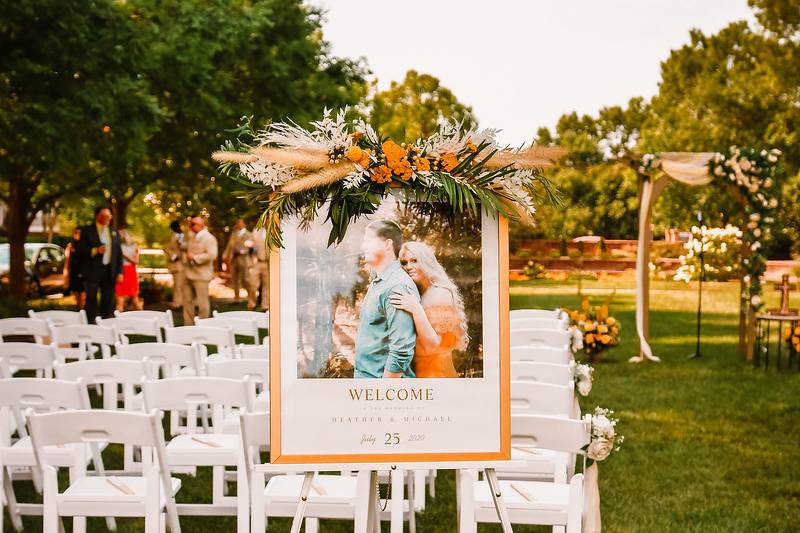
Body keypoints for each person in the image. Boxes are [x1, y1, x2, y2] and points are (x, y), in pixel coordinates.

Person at [390, 242, 469, 378]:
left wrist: (416, 309)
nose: (409, 267)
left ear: (426, 261)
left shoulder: (440, 294)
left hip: (439, 378)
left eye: (414, 261)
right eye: (404, 263)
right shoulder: (419, 293)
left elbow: (434, 347)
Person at [354, 220, 419, 379]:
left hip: (379, 387)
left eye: (368, 240)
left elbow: (401, 350)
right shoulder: (379, 281)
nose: (363, 246)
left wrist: (384, 391)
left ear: (387, 244)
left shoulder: (396, 286)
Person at [78, 206, 123, 322]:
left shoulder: (114, 232)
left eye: (109, 216)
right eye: (105, 216)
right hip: (92, 271)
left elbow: (118, 254)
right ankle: (90, 325)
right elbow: (80, 250)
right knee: (91, 300)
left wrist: (119, 272)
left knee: (108, 300)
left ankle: (106, 325)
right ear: (97, 216)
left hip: (109, 271)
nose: (108, 218)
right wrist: (95, 251)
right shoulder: (87, 231)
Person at [182, 215, 218, 325]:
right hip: (189, 273)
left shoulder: (209, 238)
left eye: (192, 224)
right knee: (187, 301)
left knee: (202, 303)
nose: (190, 226)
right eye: (190, 224)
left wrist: (195, 257)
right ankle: (188, 326)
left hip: (202, 275)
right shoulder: (192, 236)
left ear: (201, 225)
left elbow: (212, 255)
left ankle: (203, 326)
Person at [223, 218, 252, 304]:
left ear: (244, 224)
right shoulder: (234, 234)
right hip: (234, 259)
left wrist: (242, 251)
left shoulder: (248, 234)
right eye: (237, 223)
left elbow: (250, 246)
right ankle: (237, 299)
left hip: (244, 259)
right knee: (235, 279)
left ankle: (251, 297)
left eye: (240, 222)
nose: (238, 224)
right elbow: (229, 246)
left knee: (246, 279)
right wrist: (225, 255)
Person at [115, 229, 142, 311]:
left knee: (135, 298)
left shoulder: (135, 246)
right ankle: (118, 319)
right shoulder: (117, 245)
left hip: (130, 271)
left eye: (123, 233)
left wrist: (124, 255)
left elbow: (136, 261)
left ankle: (142, 318)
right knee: (119, 298)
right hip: (120, 272)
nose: (121, 236)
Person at [164, 221, 186, 310]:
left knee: (183, 285)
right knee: (177, 285)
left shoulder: (183, 236)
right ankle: (177, 303)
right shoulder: (171, 237)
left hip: (185, 264)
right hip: (176, 265)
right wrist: (174, 257)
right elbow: (166, 248)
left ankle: (182, 302)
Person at [247, 223, 269, 311]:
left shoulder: (273, 231)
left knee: (267, 286)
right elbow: (249, 242)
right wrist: (249, 244)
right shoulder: (256, 231)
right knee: (253, 284)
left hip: (268, 263)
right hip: (256, 262)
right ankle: (251, 304)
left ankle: (265, 306)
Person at [62, 227, 85, 309]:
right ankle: (78, 309)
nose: (77, 235)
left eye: (79, 233)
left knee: (83, 294)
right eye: (76, 233)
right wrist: (66, 273)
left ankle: (82, 309)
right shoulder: (70, 246)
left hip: (83, 273)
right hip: (74, 273)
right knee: (76, 295)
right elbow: (67, 261)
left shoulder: (85, 246)